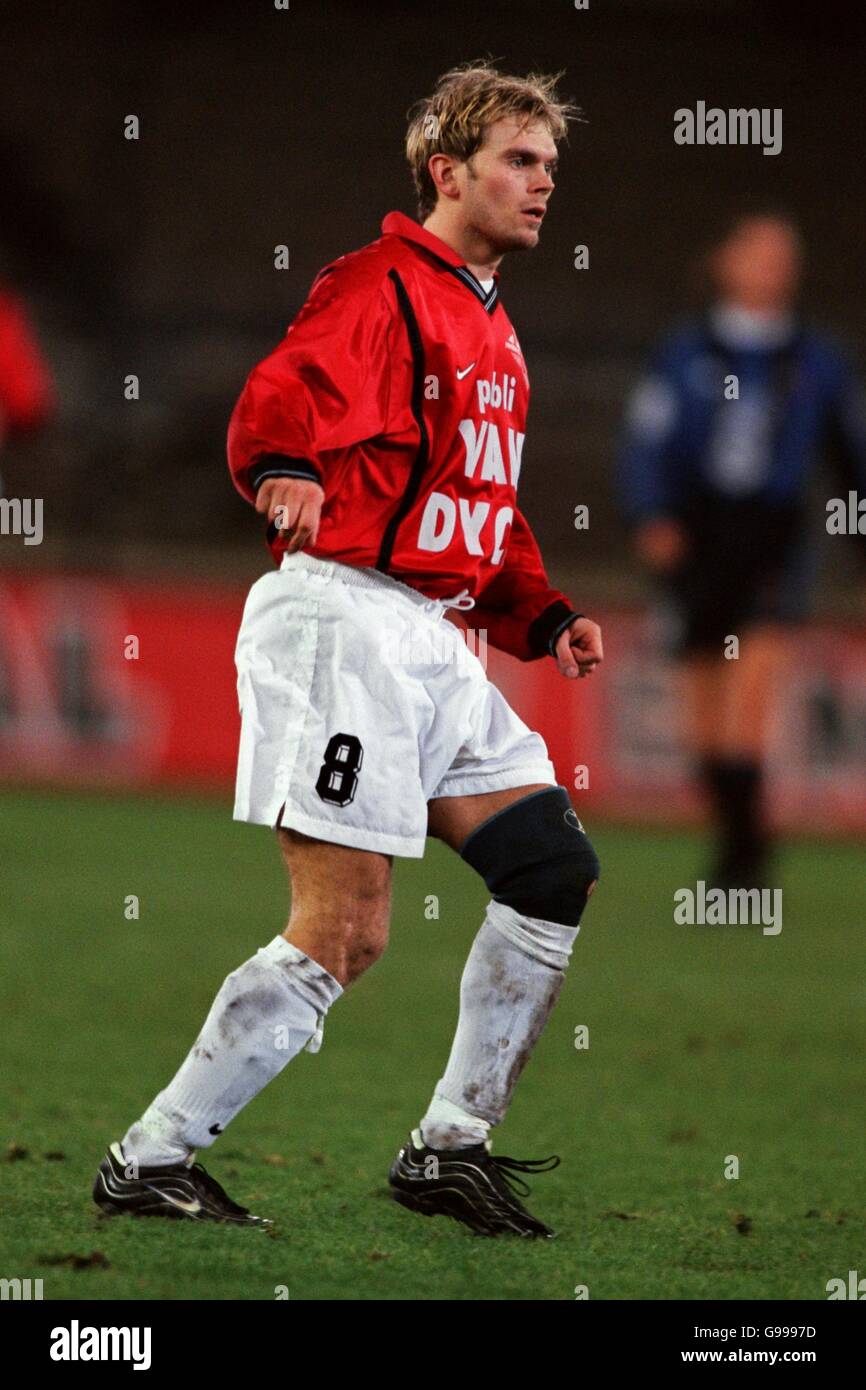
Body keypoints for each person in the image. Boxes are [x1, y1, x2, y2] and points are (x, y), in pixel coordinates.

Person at [94, 62, 604, 1238]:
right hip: (341, 618)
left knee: (550, 870)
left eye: (549, 167)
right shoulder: (379, 285)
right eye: (519, 162)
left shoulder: (493, 325)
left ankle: (448, 1147)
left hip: (429, 636)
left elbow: (482, 503)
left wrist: (537, 612)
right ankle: (150, 1156)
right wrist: (280, 467)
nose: (541, 187)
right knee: (346, 931)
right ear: (447, 171)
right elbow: (286, 388)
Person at [619, 213, 866, 888]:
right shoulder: (685, 352)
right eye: (757, 253)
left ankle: (747, 860)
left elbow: (851, 457)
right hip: (698, 539)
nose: (772, 268)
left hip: (771, 541)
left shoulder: (816, 360)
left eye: (784, 256)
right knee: (701, 714)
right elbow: (648, 441)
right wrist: (651, 516)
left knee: (749, 696)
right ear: (725, 262)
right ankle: (738, 840)